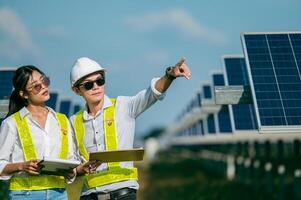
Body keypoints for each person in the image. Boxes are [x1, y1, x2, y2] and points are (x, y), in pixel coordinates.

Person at [69, 57, 191, 200]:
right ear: (77, 90)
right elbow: (71, 164)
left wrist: (169, 76)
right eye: (88, 85)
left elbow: (152, 94)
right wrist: (80, 169)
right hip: (90, 196)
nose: (96, 86)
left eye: (100, 81)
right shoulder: (73, 121)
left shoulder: (123, 106)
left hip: (123, 195)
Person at [0, 65, 78, 200]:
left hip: (59, 194)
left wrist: (71, 172)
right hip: (24, 195)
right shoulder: (11, 123)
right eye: (36, 86)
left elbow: (71, 159)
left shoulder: (62, 120)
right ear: (23, 94)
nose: (43, 87)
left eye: (44, 81)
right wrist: (21, 166)